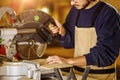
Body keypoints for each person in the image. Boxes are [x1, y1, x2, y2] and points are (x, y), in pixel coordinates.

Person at [46, 0, 120, 79]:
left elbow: (105, 54)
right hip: (77, 74)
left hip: (100, 77)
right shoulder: (76, 10)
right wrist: (63, 32)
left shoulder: (108, 14)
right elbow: (69, 44)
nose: (72, 3)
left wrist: (69, 61)